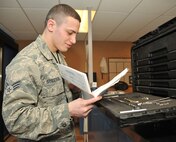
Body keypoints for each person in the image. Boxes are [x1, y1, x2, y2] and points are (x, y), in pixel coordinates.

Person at [2, 4, 102, 142]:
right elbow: (16, 121)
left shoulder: (58, 57)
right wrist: (68, 111)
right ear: (51, 25)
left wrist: (71, 88)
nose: (73, 40)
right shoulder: (26, 62)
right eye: (70, 32)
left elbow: (51, 96)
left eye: (76, 34)